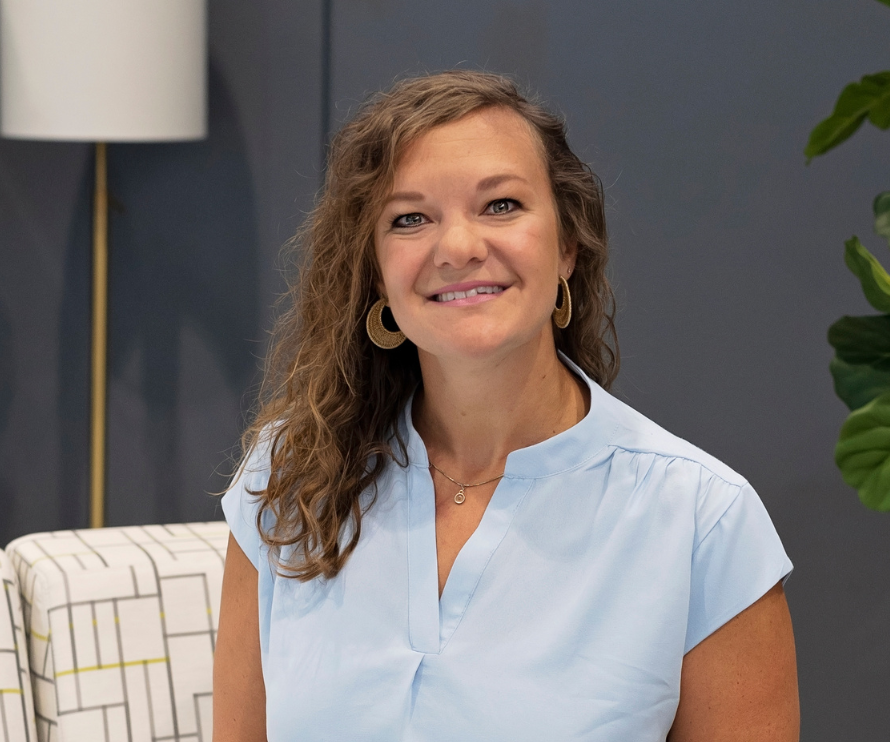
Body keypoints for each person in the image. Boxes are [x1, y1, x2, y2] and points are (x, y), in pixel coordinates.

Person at [213, 70, 799, 741]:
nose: (459, 247)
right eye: (410, 219)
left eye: (501, 206)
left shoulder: (703, 523)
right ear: (374, 272)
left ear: (568, 245)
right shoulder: (288, 477)